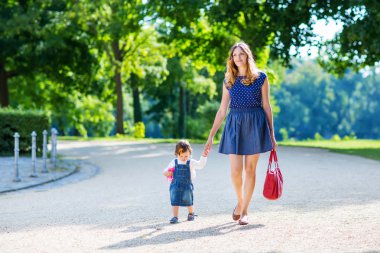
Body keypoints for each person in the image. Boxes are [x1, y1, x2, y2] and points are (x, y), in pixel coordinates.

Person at [203, 42, 277, 225]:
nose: (238, 58)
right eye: (234, 55)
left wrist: (272, 134)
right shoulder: (229, 79)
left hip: (256, 123)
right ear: (232, 58)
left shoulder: (261, 78)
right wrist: (211, 136)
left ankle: (244, 211)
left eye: (241, 54)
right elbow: (222, 110)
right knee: (236, 171)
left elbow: (267, 107)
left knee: (250, 170)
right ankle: (240, 201)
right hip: (234, 124)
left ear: (247, 56)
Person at [163, 140, 208, 224]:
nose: (184, 158)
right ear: (177, 154)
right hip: (175, 185)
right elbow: (166, 170)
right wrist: (166, 173)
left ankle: (191, 213)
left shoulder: (190, 162)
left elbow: (200, 165)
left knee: (188, 200)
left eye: (186, 156)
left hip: (187, 185)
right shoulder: (174, 162)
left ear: (189, 153)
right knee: (174, 201)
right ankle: (175, 216)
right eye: (181, 156)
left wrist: (204, 156)